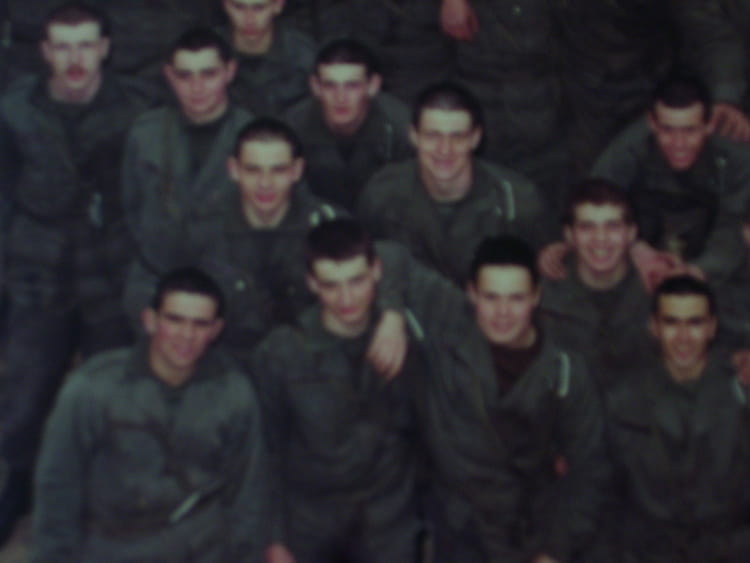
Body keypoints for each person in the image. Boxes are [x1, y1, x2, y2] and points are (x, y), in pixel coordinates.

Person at [0, 2, 155, 542]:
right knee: (25, 393)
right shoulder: (14, 110)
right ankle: (19, 483)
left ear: (105, 49)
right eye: (63, 46)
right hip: (37, 271)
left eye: (86, 45)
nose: (75, 59)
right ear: (44, 51)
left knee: (115, 391)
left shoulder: (138, 110)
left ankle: (109, 496)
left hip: (110, 272)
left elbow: (148, 199)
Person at [253, 219, 467, 563]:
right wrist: (274, 539)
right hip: (309, 524)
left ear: (377, 272)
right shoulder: (282, 352)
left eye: (357, 281)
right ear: (311, 283)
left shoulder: (409, 342)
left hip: (388, 524)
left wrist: (393, 313)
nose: (346, 299)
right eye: (330, 285)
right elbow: (265, 451)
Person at [125, 118, 407, 375]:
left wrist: (392, 313)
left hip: (306, 368)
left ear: (297, 170)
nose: (265, 183)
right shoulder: (196, 228)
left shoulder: (325, 222)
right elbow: (143, 284)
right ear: (233, 170)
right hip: (220, 368)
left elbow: (386, 256)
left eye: (278, 170)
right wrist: (173, 349)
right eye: (253, 170)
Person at [32, 267, 271, 562]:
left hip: (199, 546)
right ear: (150, 320)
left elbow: (248, 493)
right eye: (175, 320)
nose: (187, 335)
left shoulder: (233, 392)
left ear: (216, 330)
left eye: (200, 324)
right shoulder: (94, 387)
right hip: (113, 545)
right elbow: (58, 485)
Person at [421, 235, 607, 562]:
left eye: (516, 298)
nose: (503, 313)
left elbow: (590, 468)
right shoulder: (443, 350)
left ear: (536, 296)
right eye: (491, 297)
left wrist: (555, 550)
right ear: (471, 293)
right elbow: (389, 261)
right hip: (461, 533)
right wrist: (391, 316)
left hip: (533, 531)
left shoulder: (564, 371)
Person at [600, 275, 750, 561]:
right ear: (654, 327)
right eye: (671, 322)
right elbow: (606, 493)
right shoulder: (623, 400)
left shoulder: (741, 393)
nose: (683, 337)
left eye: (695, 323)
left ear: (712, 327)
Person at [358, 81, 549, 286]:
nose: (444, 149)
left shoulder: (516, 201)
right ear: (414, 136)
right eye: (433, 135)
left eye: (457, 136)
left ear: (475, 138)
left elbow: (545, 277)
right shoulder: (382, 193)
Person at [591, 74, 750, 283]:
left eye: (690, 131)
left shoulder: (737, 158)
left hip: (718, 254)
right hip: (643, 247)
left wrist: (699, 271)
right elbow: (592, 204)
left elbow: (733, 226)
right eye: (667, 130)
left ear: (708, 125)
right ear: (651, 123)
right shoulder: (627, 151)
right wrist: (634, 247)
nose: (679, 144)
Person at [121, 26, 252, 259]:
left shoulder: (255, 137)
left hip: (232, 269)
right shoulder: (145, 133)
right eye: (184, 76)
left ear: (230, 72)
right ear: (169, 75)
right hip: (155, 267)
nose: (197, 88)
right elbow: (129, 206)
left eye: (208, 74)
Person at [540, 179, 652, 392]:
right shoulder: (541, 298)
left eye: (612, 226)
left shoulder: (657, 293)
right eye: (587, 227)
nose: (600, 238)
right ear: (569, 235)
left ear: (631, 233)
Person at [284, 38, 412, 211]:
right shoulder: (292, 128)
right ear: (315, 87)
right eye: (330, 86)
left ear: (373, 86)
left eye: (352, 86)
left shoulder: (400, 127)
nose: (340, 98)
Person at [219, 0, 317, 116]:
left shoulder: (306, 56)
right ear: (225, 5)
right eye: (239, 7)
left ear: (278, 5)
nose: (249, 20)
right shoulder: (207, 53)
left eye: (259, 8)